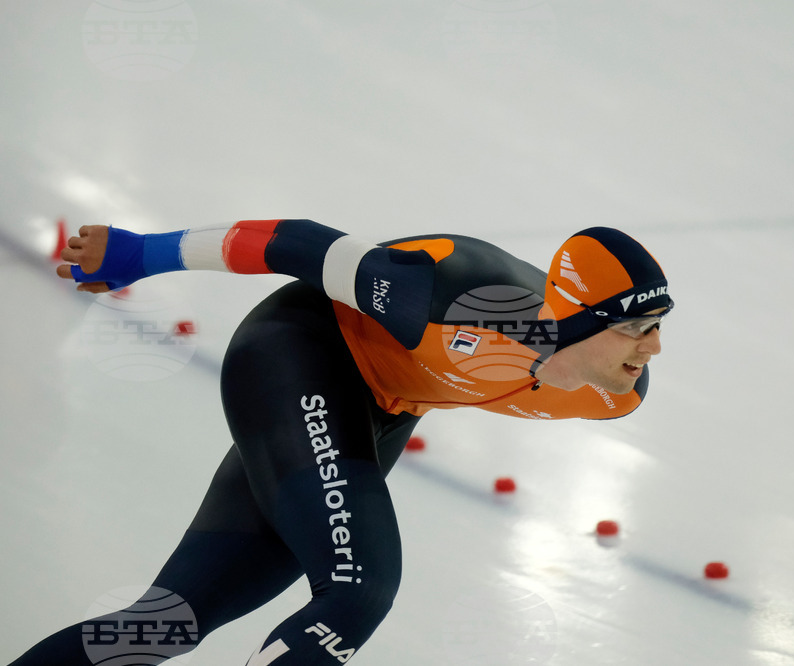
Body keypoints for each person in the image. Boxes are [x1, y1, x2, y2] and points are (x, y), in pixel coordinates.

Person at [12, 219, 672, 665]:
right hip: (301, 349)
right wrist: (143, 254)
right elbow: (292, 243)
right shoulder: (450, 298)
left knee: (167, 622)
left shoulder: (613, 393)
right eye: (638, 326)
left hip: (379, 411)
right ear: (582, 319)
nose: (654, 348)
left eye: (660, 324)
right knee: (358, 591)